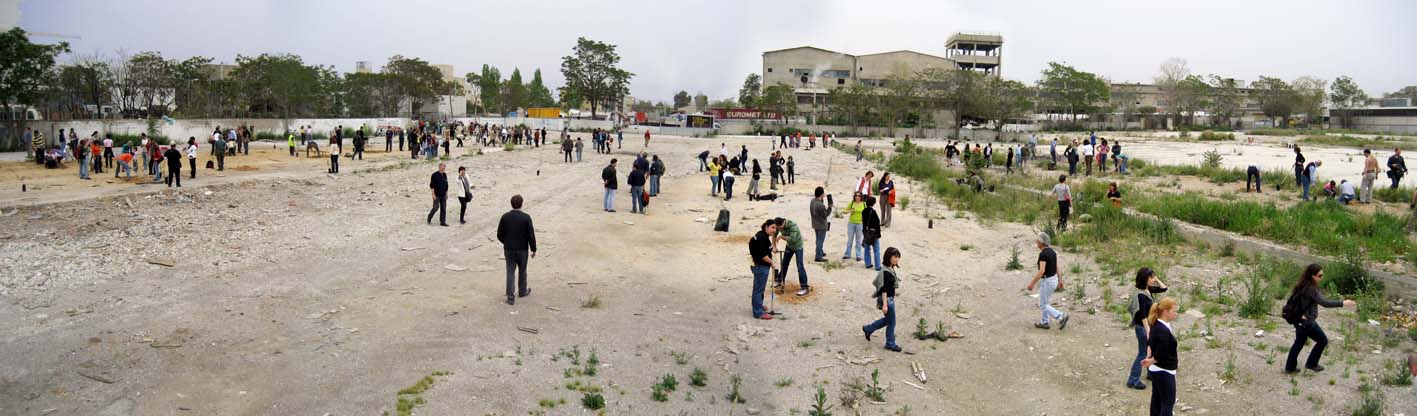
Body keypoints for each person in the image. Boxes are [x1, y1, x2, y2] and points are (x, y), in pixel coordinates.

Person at [1283, 264, 1356, 374]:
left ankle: (1290, 367)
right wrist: (1343, 303)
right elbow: (1324, 303)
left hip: (1300, 321)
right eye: (1320, 275)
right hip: (1306, 322)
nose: (1321, 278)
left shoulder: (1302, 285)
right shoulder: (1311, 289)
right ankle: (1311, 364)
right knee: (1322, 340)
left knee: (1299, 343)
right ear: (1312, 276)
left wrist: (1299, 315)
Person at [1126, 268, 1168, 390]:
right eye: (1150, 277)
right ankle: (1132, 380)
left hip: (1149, 327)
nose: (1153, 279)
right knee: (1143, 353)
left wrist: (1156, 279)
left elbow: (1164, 288)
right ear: (1145, 279)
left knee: (1152, 351)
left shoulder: (1147, 290)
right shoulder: (1141, 295)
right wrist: (1148, 331)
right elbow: (1143, 316)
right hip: (1143, 328)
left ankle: (1150, 373)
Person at [1141, 297, 1180, 416]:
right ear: (1165, 311)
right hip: (1164, 370)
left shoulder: (1156, 324)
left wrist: (1149, 357)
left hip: (1156, 370)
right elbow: (1162, 352)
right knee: (1168, 402)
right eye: (1174, 311)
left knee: (1157, 400)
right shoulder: (1162, 329)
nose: (1176, 313)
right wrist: (1151, 360)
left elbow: (1150, 342)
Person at [497, 195, 537, 306]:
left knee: (510, 272)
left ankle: (510, 297)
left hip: (509, 249)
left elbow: (499, 234)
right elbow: (531, 235)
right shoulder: (526, 217)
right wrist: (533, 249)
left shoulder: (505, 217)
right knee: (522, 270)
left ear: (511, 204)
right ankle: (522, 291)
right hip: (523, 249)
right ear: (521, 203)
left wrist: (506, 242)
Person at [862, 247, 903, 352]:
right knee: (891, 322)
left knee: (888, 320)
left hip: (889, 299)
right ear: (889, 257)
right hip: (887, 300)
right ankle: (890, 343)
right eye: (895, 257)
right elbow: (884, 289)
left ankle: (868, 329)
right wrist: (885, 304)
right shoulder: (886, 271)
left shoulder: (889, 268)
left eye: (898, 257)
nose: (897, 259)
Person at [1026, 232, 1069, 330]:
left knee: (1042, 304)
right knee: (1045, 302)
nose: (1036, 242)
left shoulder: (1043, 254)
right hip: (1054, 279)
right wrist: (1060, 280)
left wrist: (1031, 284)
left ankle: (1061, 316)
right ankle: (1045, 322)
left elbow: (1041, 271)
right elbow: (1057, 267)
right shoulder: (1052, 252)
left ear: (1041, 242)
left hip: (1047, 281)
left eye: (1037, 240)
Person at [748, 219, 779, 320]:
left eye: (775, 228)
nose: (774, 230)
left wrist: (773, 249)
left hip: (759, 265)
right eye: (772, 227)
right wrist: (772, 263)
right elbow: (763, 255)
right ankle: (758, 313)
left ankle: (759, 305)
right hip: (761, 266)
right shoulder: (762, 238)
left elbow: (764, 248)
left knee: (759, 288)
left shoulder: (762, 235)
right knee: (758, 289)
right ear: (766, 226)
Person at [773, 217, 810, 296]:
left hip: (798, 247)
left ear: (782, 223)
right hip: (789, 246)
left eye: (779, 228)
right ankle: (779, 280)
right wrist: (774, 247)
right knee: (784, 264)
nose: (778, 229)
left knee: (800, 266)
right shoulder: (778, 225)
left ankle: (805, 287)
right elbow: (774, 235)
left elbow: (793, 239)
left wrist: (782, 237)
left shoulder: (793, 226)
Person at [841, 193, 865, 261]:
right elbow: (844, 211)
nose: (857, 197)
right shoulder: (852, 203)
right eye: (856, 196)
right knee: (850, 240)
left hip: (860, 224)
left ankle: (858, 255)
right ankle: (847, 254)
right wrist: (849, 211)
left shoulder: (864, 204)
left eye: (859, 196)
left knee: (858, 240)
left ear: (861, 197)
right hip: (851, 223)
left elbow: (867, 213)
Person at [861, 196, 882, 271]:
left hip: (866, 232)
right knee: (876, 250)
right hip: (873, 233)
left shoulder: (863, 211)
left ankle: (868, 264)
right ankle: (878, 266)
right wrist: (879, 234)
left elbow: (863, 223)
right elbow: (877, 224)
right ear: (873, 203)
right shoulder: (873, 212)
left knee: (867, 249)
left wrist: (864, 232)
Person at [810, 186, 831, 262]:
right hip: (822, 225)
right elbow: (825, 214)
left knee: (818, 239)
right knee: (820, 241)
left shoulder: (813, 201)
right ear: (822, 194)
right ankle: (818, 256)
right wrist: (830, 207)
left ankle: (820, 252)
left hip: (815, 223)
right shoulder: (820, 205)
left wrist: (822, 198)